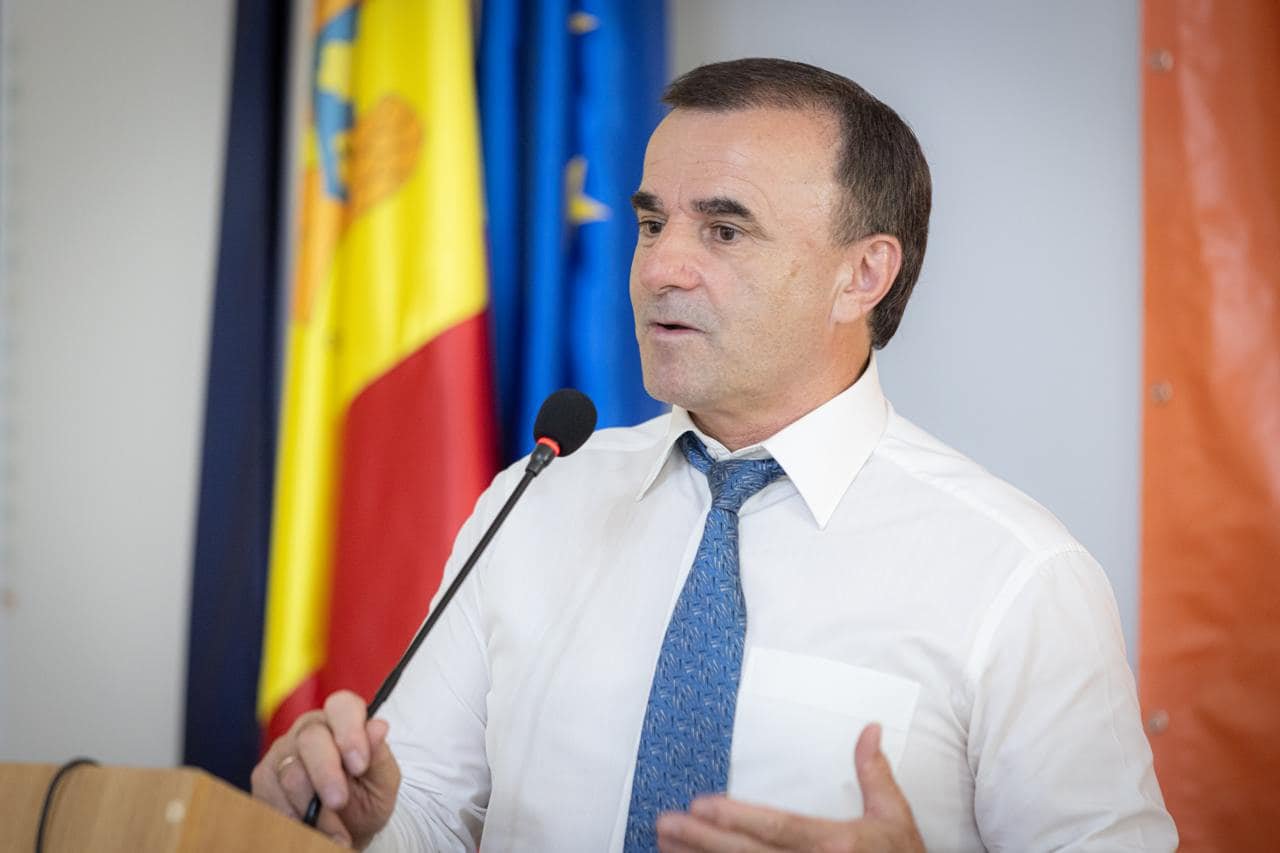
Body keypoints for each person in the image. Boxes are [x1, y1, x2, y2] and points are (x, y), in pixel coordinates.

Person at [251, 58, 1177, 852]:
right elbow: (430, 815)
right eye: (653, 223)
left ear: (863, 274)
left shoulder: (1018, 575)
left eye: (724, 231)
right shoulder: (535, 500)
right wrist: (366, 818)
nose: (659, 268)